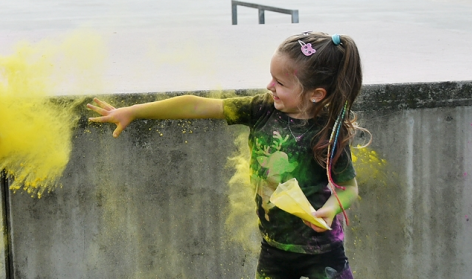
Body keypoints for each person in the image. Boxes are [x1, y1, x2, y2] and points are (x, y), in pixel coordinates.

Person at [87, 31, 362, 279]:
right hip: (274, 250)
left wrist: (331, 208)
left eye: (279, 82)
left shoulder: (329, 131)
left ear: (316, 94)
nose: (269, 86)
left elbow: (349, 188)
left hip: (323, 251)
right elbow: (196, 106)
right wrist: (133, 112)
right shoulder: (261, 110)